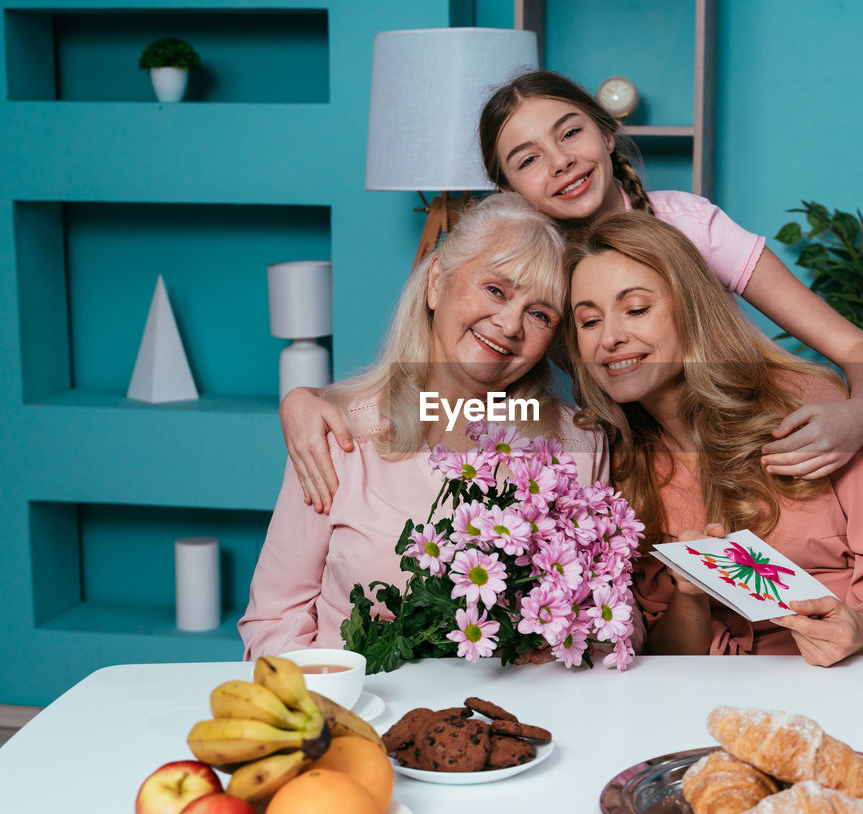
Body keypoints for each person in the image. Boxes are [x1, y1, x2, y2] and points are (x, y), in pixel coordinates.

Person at [282, 70, 863, 513]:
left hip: (755, 444)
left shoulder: (690, 225)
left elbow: (859, 349)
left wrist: (859, 413)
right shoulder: (536, 284)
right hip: (638, 474)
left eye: (570, 133)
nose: (561, 162)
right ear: (510, 191)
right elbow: (460, 388)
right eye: (527, 159)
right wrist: (312, 400)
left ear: (605, 132)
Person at [565, 210, 863, 666]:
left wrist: (862, 629)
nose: (611, 338)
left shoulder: (811, 409)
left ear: (691, 310)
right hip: (707, 700)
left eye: (636, 309)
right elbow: (665, 660)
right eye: (589, 321)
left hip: (853, 680)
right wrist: (690, 593)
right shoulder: (611, 465)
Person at [238, 193, 609, 658]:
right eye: (496, 290)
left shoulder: (580, 443)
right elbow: (275, 619)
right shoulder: (336, 433)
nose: (511, 324)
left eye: (540, 314)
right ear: (437, 283)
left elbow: (607, 622)